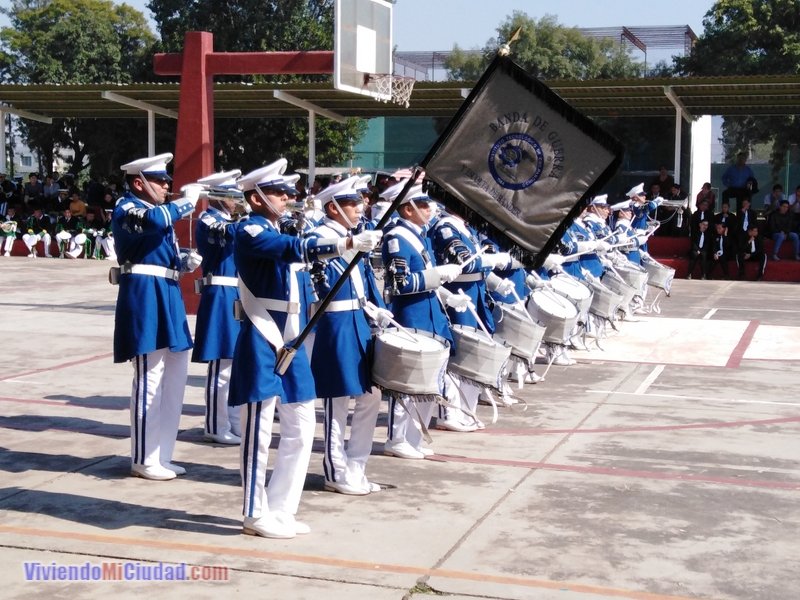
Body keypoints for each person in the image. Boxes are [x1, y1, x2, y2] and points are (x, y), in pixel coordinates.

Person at [229, 159, 381, 539]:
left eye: (287, 192)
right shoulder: (249, 229)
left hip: (292, 339)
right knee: (258, 431)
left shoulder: (281, 227)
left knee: (301, 426)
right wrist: (346, 243)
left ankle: (282, 507)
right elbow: (293, 249)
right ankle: (254, 512)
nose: (287, 198)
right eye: (278, 193)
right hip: (263, 337)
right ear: (256, 198)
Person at [111, 152, 199, 481]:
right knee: (150, 376)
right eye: (160, 181)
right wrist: (186, 203)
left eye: (165, 181)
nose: (166, 186)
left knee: (175, 375)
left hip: (167, 291)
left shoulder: (155, 209)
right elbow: (154, 222)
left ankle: (162, 453)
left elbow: (159, 246)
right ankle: (144, 457)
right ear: (139, 183)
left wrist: (183, 262)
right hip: (145, 293)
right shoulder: (127, 207)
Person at [308, 177, 387, 495]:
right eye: (352, 203)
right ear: (333, 208)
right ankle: (335, 470)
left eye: (359, 202)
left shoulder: (352, 237)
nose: (360, 208)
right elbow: (318, 282)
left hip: (357, 320)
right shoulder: (319, 237)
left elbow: (360, 284)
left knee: (371, 394)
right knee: (336, 399)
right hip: (334, 323)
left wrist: (374, 310)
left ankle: (357, 465)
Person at [380, 182, 470, 459]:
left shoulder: (419, 236)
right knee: (407, 382)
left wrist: (447, 295)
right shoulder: (396, 238)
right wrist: (437, 275)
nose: (430, 210)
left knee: (430, 382)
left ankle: (415, 437)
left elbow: (429, 278)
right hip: (411, 315)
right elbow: (400, 283)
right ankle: (397, 438)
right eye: (423, 205)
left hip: (431, 314)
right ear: (408, 209)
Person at [191, 169, 244, 445]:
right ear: (219, 196)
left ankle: (233, 420)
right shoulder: (209, 219)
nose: (236, 203)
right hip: (220, 291)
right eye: (233, 197)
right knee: (221, 361)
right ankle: (216, 423)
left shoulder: (228, 220)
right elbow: (231, 233)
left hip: (235, 291)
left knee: (235, 361)